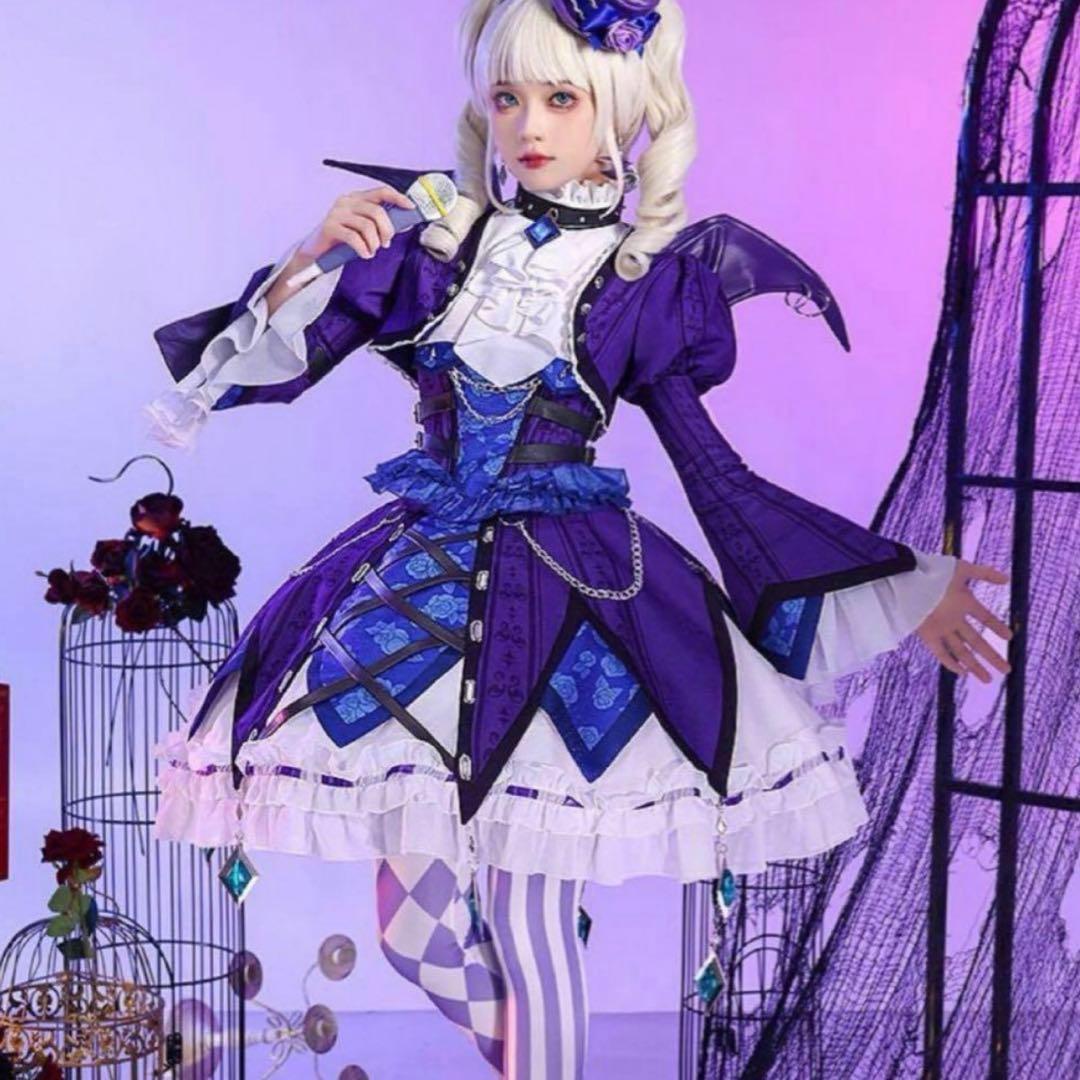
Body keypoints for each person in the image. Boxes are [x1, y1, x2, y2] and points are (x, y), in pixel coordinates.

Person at [146, 1, 1012, 1076]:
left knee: (530, 919)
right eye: (508, 97)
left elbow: (719, 479)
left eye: (561, 97)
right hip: (419, 580)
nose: (529, 125)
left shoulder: (650, 285)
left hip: (573, 606)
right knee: (410, 928)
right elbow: (265, 372)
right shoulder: (434, 252)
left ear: (620, 108)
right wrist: (305, 257)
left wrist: (899, 586)